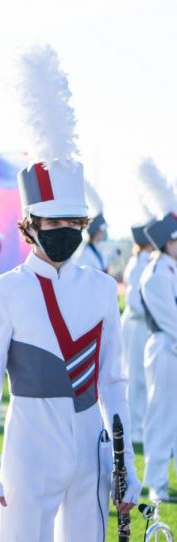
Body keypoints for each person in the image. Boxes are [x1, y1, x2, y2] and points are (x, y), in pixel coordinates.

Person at [0, 45, 140, 542]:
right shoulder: (0, 293)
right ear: (30, 225)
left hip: (89, 440)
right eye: (53, 221)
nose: (65, 229)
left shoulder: (101, 289)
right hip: (28, 441)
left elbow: (114, 383)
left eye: (75, 221)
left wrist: (124, 463)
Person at [137, 165, 177, 503]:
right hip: (165, 348)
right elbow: (170, 319)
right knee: (161, 416)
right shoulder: (155, 273)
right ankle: (156, 482)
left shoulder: (170, 268)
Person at [121, 211, 155, 440]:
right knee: (134, 378)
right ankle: (132, 428)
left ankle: (139, 425)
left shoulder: (145, 261)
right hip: (136, 325)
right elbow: (134, 301)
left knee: (142, 378)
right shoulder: (138, 264)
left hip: (143, 326)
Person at [73, 182, 107, 272]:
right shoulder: (84, 254)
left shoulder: (98, 249)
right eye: (102, 228)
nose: (104, 232)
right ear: (96, 230)